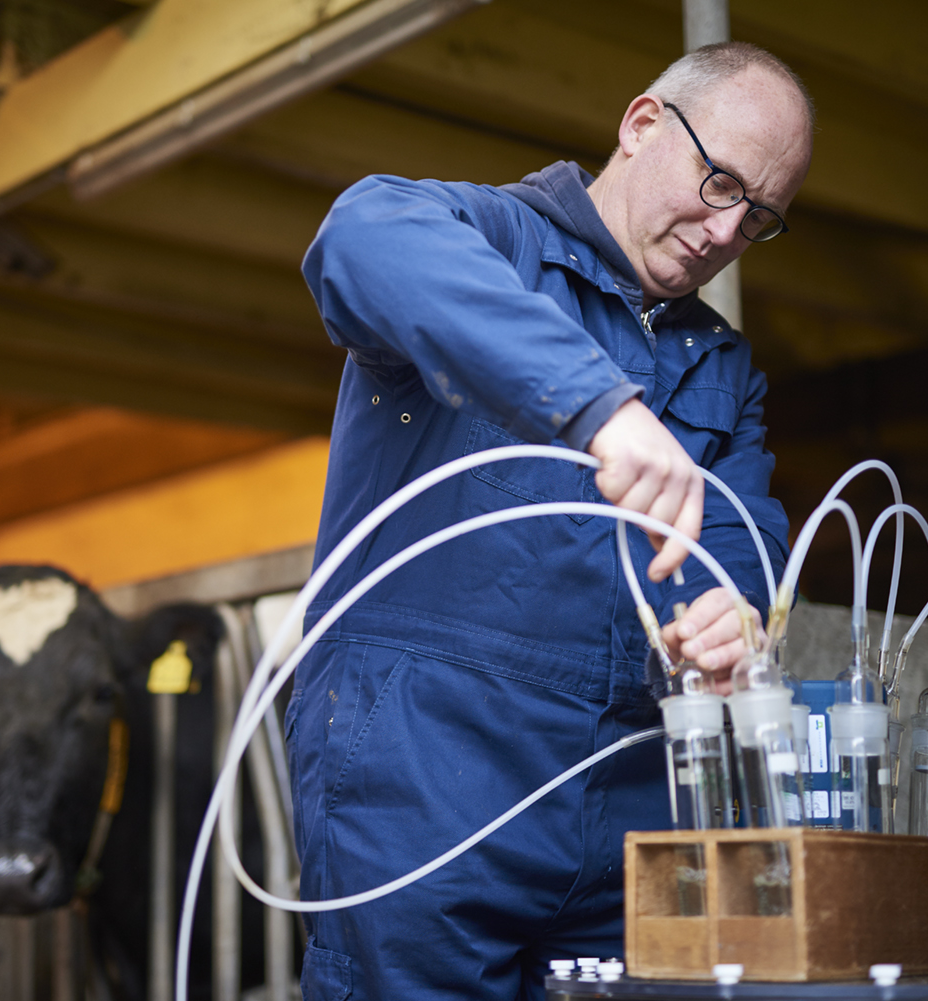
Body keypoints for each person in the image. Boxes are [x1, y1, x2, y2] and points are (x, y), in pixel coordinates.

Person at [289, 40, 815, 1001]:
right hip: (427, 790)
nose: (726, 227)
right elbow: (360, 233)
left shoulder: (721, 365)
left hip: (632, 808)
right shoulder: (486, 236)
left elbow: (741, 538)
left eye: (760, 214)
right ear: (643, 123)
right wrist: (599, 405)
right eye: (721, 181)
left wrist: (739, 618)